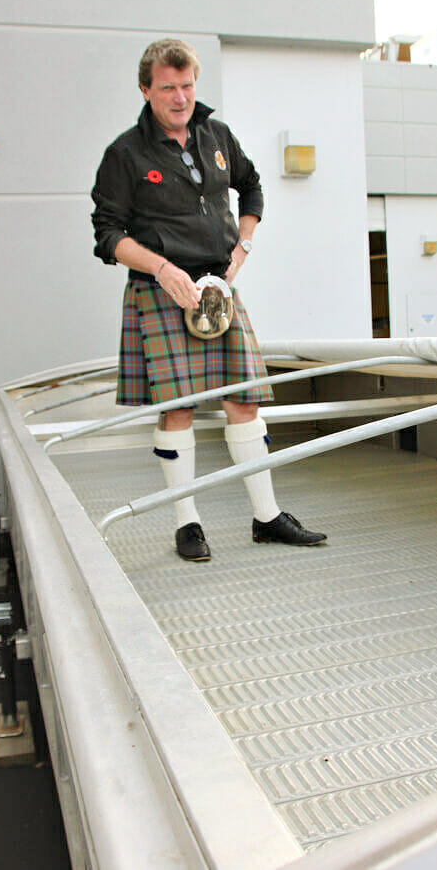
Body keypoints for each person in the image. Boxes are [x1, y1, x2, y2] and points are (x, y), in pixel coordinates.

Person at [91, 38, 326, 561]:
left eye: (188, 86)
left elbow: (253, 187)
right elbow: (107, 235)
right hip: (162, 290)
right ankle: (187, 524)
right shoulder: (125, 153)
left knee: (245, 401)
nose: (180, 98)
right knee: (178, 411)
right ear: (146, 89)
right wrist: (162, 268)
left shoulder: (216, 134)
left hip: (219, 290)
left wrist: (241, 248)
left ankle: (266, 517)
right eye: (168, 88)